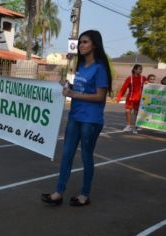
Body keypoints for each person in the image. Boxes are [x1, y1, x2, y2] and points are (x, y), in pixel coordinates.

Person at [41, 30, 113, 207]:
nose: (81, 45)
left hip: (91, 120)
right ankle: (59, 192)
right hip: (75, 116)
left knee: (86, 156)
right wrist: (68, 87)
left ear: (94, 45)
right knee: (66, 155)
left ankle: (84, 195)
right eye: (80, 42)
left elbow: (99, 96)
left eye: (85, 42)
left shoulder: (100, 68)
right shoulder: (81, 67)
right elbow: (81, 89)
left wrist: (73, 93)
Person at [115, 64, 146, 134]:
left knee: (136, 113)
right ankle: (128, 125)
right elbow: (123, 88)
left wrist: (148, 83)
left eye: (141, 69)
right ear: (134, 70)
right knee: (127, 111)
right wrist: (118, 97)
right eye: (139, 69)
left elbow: (149, 87)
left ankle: (136, 126)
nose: (140, 70)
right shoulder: (129, 78)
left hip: (139, 99)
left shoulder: (143, 78)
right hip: (130, 98)